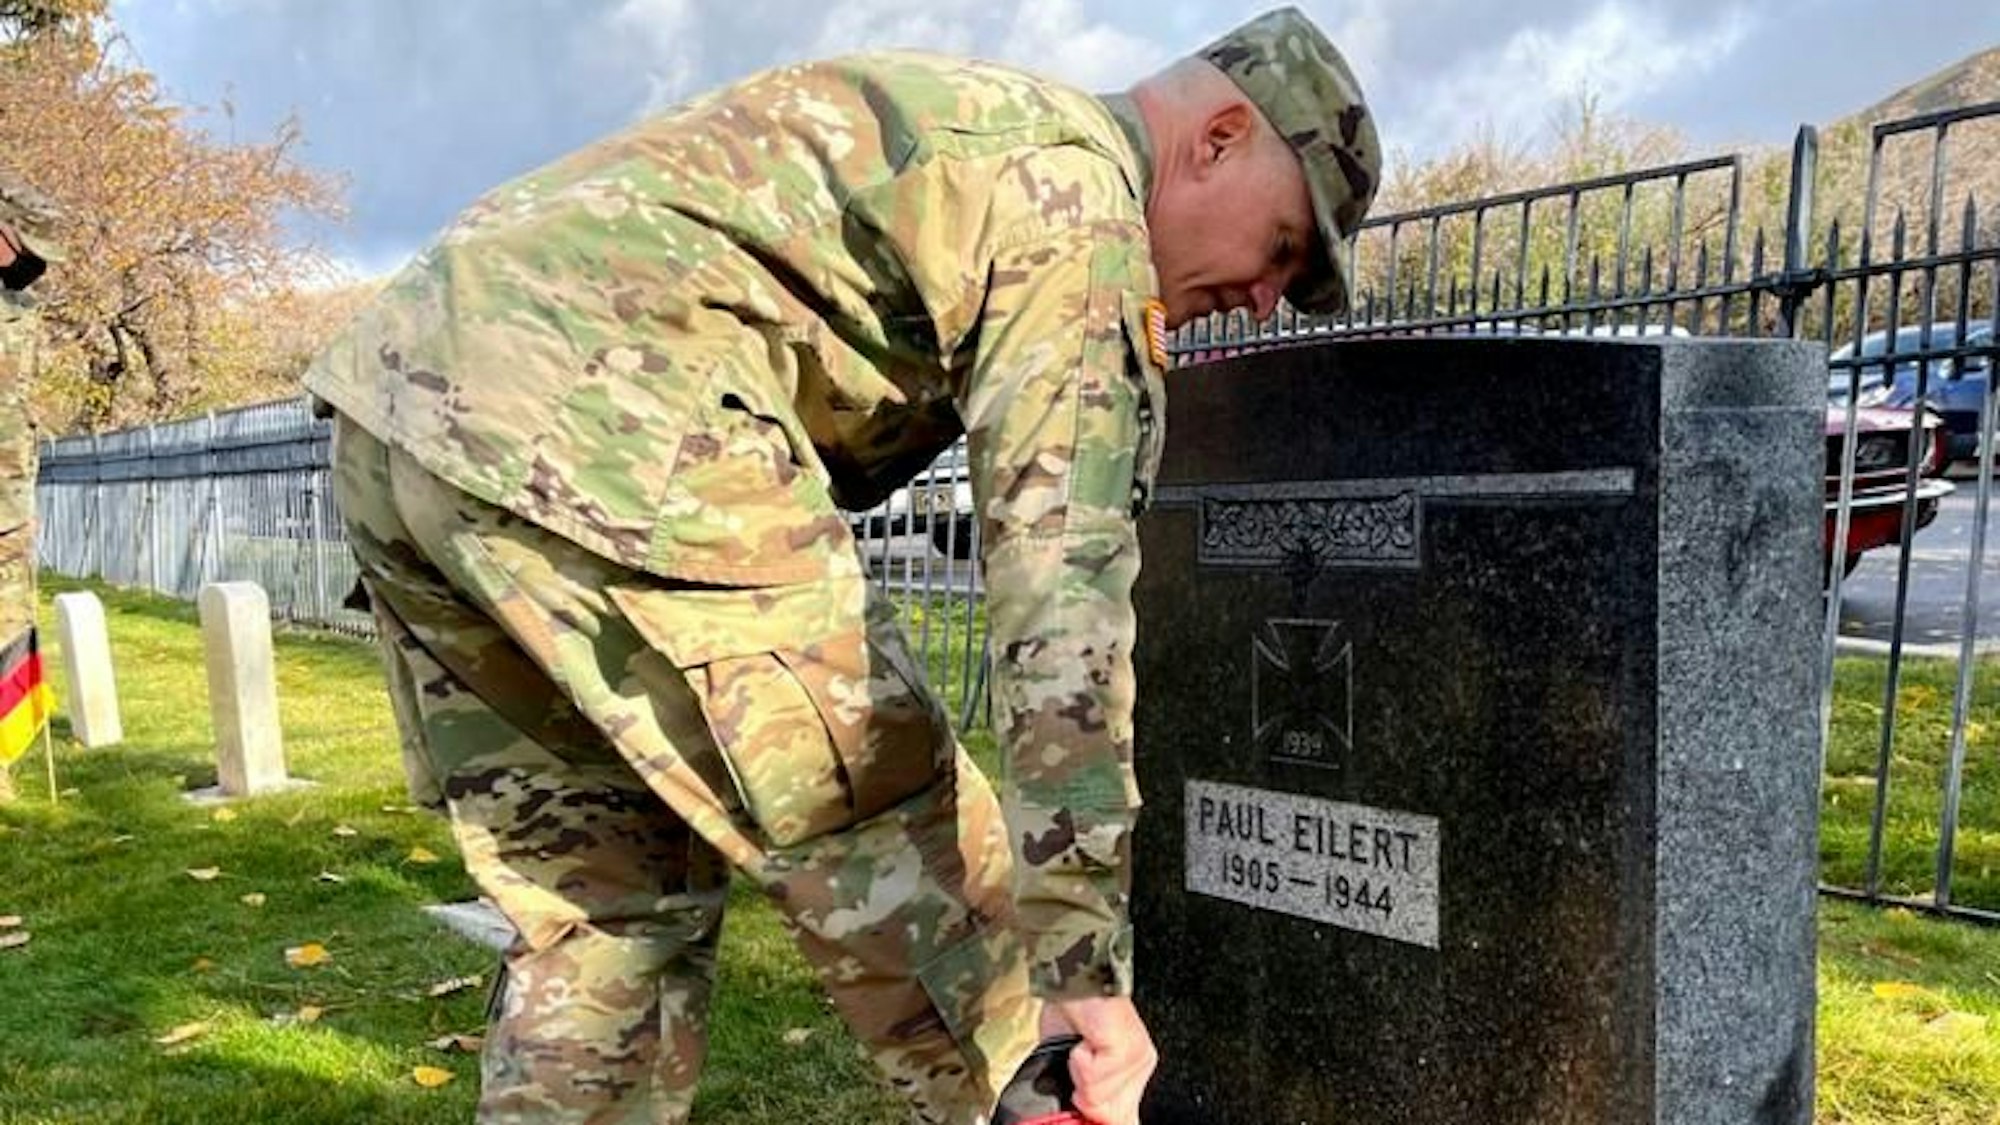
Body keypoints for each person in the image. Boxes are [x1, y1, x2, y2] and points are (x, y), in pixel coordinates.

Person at [307, 6, 1377, 1122]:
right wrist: (1079, 964)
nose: (1259, 300)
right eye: (1282, 249)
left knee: (602, 930)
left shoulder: (970, 119)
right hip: (612, 422)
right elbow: (1061, 598)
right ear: (1216, 137)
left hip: (401, 415)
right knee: (940, 898)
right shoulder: (1077, 203)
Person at [0, 172, 62, 803]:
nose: (33, 264)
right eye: (26, 246)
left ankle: (2, 764)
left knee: (9, 626)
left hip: (11, 510)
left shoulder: (19, 312)